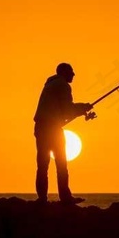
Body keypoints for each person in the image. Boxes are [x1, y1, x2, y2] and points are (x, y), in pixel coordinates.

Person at [33, 62, 93, 204]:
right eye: (71, 71)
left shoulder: (50, 84)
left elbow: (61, 111)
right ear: (65, 72)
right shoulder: (63, 85)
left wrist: (82, 111)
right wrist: (84, 107)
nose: (74, 74)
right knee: (61, 163)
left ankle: (42, 199)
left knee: (42, 165)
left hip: (41, 127)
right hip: (52, 129)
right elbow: (67, 109)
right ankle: (65, 198)